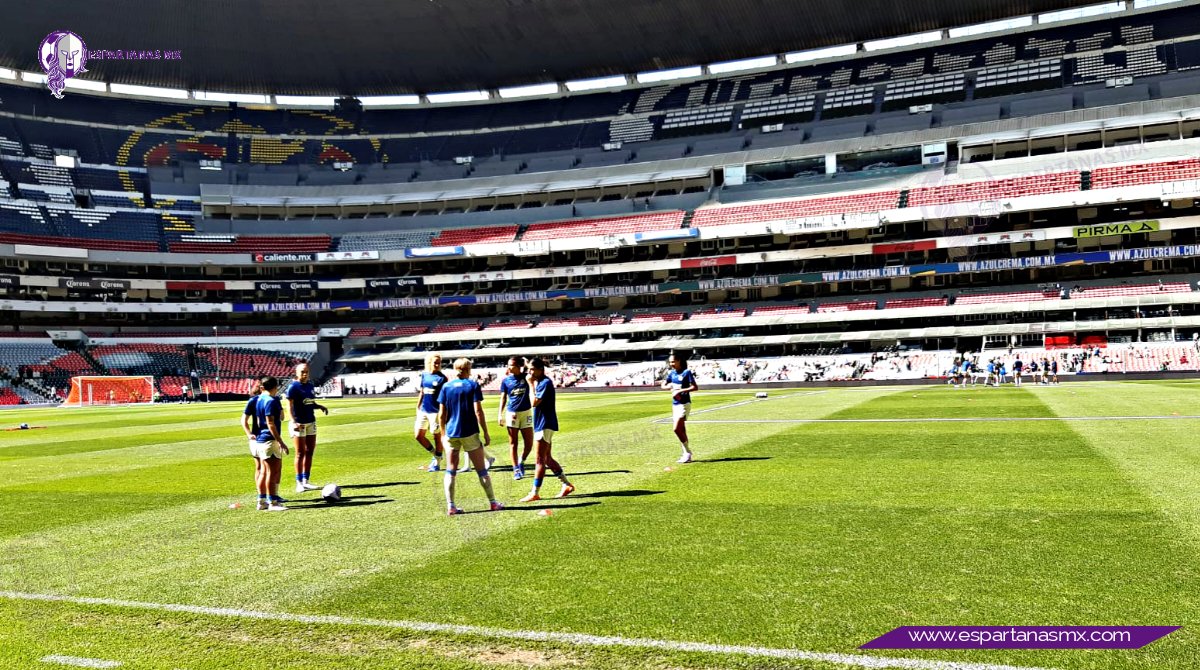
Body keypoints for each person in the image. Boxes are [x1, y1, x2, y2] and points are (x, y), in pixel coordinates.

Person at [437, 358, 503, 516]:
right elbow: (478, 411)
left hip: (452, 432)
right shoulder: (472, 385)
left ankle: (451, 506)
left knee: (450, 470)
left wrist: (442, 434)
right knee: (481, 471)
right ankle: (493, 503)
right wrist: (486, 432)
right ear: (468, 369)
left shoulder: (446, 386)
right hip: (470, 431)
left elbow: (441, 414)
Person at [519, 358, 574, 502]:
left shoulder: (544, 382)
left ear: (540, 369)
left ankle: (535, 492)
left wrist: (530, 384)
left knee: (539, 460)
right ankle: (566, 485)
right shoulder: (541, 382)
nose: (529, 372)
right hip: (542, 423)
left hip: (544, 424)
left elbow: (534, 402)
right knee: (547, 458)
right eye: (528, 369)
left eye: (532, 369)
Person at [242, 376, 289, 511]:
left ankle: (262, 501)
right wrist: (281, 442)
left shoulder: (259, 399)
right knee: (271, 472)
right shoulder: (271, 400)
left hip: (260, 440)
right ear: (276, 387)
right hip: (269, 439)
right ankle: (272, 502)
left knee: (263, 472)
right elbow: (271, 423)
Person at [284, 363, 328, 493]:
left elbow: (309, 402)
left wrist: (319, 406)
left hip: (310, 422)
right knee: (300, 452)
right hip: (299, 423)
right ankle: (298, 483)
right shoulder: (293, 387)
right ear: (296, 373)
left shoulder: (310, 386)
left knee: (310, 451)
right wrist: (293, 422)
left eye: (307, 372)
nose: (305, 374)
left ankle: (306, 481)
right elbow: (289, 406)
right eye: (302, 372)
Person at [497, 356, 535, 480]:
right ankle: (516, 469)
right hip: (512, 413)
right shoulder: (506, 381)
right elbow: (503, 398)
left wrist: (526, 362)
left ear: (519, 366)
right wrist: (500, 414)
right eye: (508, 365)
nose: (509, 367)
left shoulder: (527, 377)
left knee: (529, 444)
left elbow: (531, 368)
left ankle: (521, 461)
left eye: (511, 365)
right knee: (513, 443)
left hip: (527, 413)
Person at [662, 352, 698, 464]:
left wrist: (681, 390)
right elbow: (663, 385)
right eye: (670, 362)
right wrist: (668, 386)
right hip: (675, 404)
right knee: (681, 429)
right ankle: (686, 454)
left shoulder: (686, 372)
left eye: (673, 361)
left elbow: (695, 387)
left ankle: (687, 452)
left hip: (684, 404)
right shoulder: (671, 373)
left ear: (679, 361)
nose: (671, 364)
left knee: (676, 428)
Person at [414, 353, 448, 472]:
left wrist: (443, 413)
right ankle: (436, 455)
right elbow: (422, 391)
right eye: (435, 362)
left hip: (436, 412)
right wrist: (418, 406)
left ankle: (437, 462)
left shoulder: (442, 378)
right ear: (430, 363)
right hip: (423, 410)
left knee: (436, 436)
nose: (437, 364)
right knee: (418, 436)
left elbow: (445, 397)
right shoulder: (424, 375)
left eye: (439, 362)